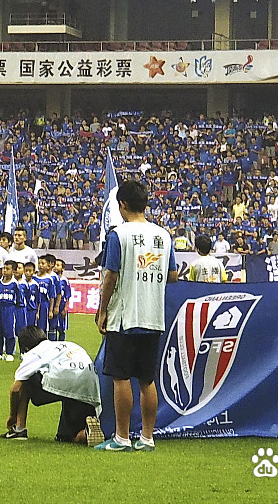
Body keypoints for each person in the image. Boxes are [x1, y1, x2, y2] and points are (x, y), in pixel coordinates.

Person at [94, 179, 179, 452]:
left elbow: (110, 276)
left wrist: (102, 310)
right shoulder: (163, 236)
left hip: (124, 315)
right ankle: (147, 437)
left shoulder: (118, 235)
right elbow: (173, 275)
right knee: (147, 379)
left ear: (122, 205)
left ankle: (121, 437)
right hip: (153, 316)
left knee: (120, 377)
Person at [4, 326, 103, 446]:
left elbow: (15, 389)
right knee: (66, 437)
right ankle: (86, 433)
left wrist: (12, 416)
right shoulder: (68, 344)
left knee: (26, 381)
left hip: (66, 383)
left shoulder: (34, 352)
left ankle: (19, 430)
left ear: (26, 347)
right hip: (89, 386)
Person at [0, 260, 22, 361]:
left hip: (10, 309)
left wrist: (15, 310)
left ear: (13, 271)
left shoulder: (14, 284)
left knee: (9, 331)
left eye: (7, 269)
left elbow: (19, 299)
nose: (4, 271)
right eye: (4, 269)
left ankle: (9, 353)